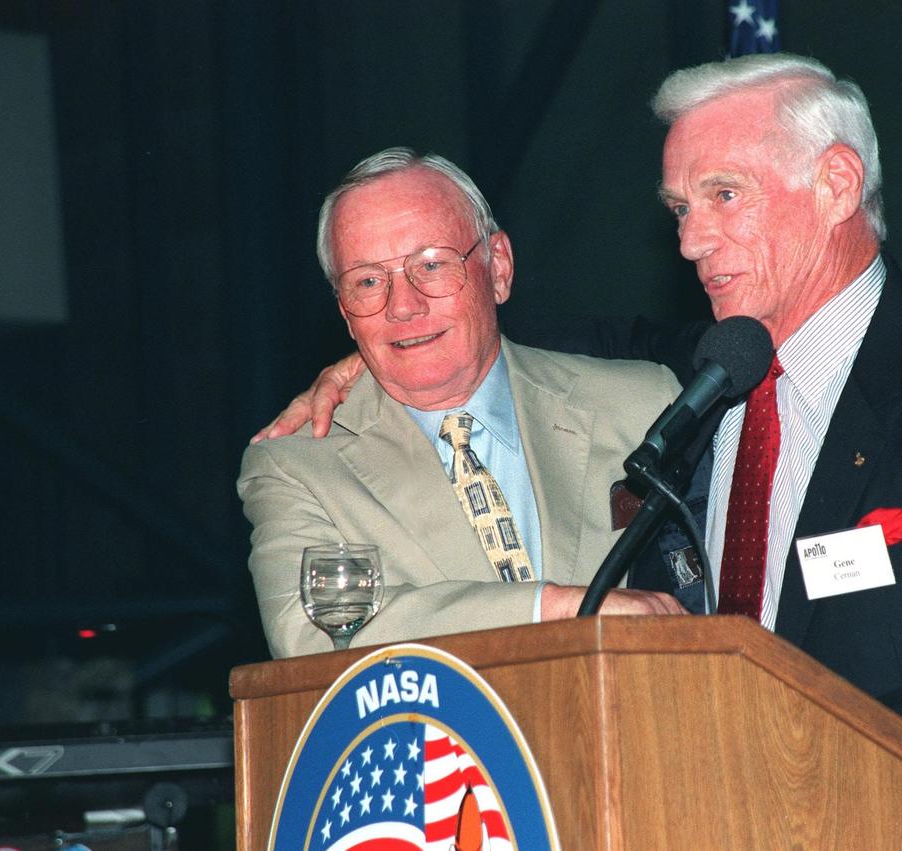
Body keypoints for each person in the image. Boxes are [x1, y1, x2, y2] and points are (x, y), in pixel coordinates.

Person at [253, 56, 902, 833]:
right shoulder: (699, 376)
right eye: (679, 206)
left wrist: (827, 739)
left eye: (722, 195)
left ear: (837, 186)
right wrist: (372, 354)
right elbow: (483, 344)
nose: (690, 239)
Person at [238, 147, 685, 659]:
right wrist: (559, 609)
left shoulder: (646, 404)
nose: (403, 307)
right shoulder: (297, 465)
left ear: (498, 267)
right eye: (367, 281)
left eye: (431, 265)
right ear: (344, 310)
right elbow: (312, 640)